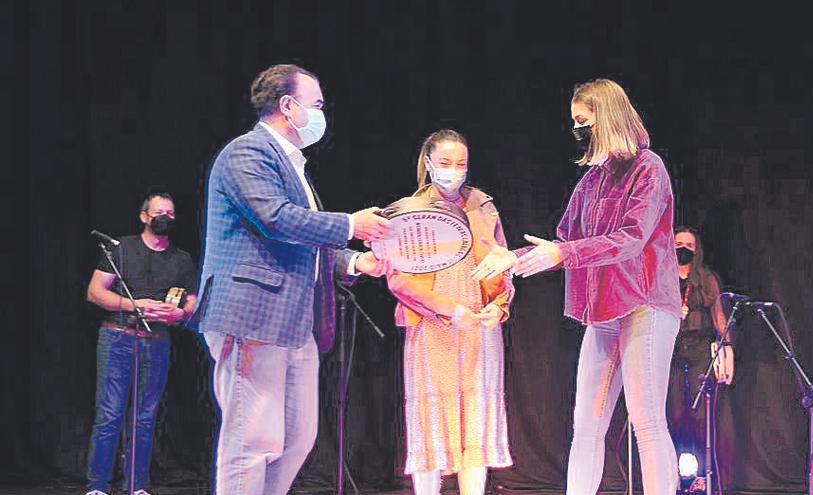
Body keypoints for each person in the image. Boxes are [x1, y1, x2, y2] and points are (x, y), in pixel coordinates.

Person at [472, 79, 682, 494]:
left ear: (606, 117)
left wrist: (562, 255)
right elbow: (562, 241)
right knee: (585, 424)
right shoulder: (592, 180)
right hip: (605, 310)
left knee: (646, 420)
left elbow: (631, 238)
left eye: (583, 121)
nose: (578, 130)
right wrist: (512, 258)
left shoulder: (648, 167)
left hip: (647, 304)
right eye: (575, 122)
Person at [188, 63, 390, 494]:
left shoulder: (293, 163)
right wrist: (350, 225)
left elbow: (305, 240)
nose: (320, 114)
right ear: (287, 105)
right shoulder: (248, 152)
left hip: (296, 323)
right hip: (253, 315)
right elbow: (275, 218)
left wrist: (356, 263)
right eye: (315, 104)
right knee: (252, 438)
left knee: (298, 438)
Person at [385, 129, 514, 495]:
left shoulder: (482, 205)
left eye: (460, 164)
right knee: (432, 422)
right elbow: (399, 280)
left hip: (478, 323)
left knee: (476, 419)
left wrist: (498, 306)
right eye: (444, 163)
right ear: (428, 163)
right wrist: (447, 308)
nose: (453, 171)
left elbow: (501, 262)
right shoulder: (407, 212)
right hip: (432, 326)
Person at [85, 191, 198, 495]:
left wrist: (179, 313)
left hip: (157, 341)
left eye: (171, 214)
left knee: (145, 417)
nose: (165, 217)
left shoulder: (182, 259)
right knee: (109, 414)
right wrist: (134, 305)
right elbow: (95, 292)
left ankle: (136, 486)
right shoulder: (121, 249)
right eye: (159, 212)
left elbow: (191, 302)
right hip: (117, 338)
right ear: (144, 216)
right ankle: (97, 487)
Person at [668, 226, 734, 486]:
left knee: (700, 415)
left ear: (696, 251)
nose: (683, 249)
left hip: (699, 349)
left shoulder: (706, 279)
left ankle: (703, 477)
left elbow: (718, 315)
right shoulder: (662, 277)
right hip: (671, 351)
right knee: (672, 413)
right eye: (678, 244)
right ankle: (672, 476)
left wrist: (726, 345)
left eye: (689, 245)